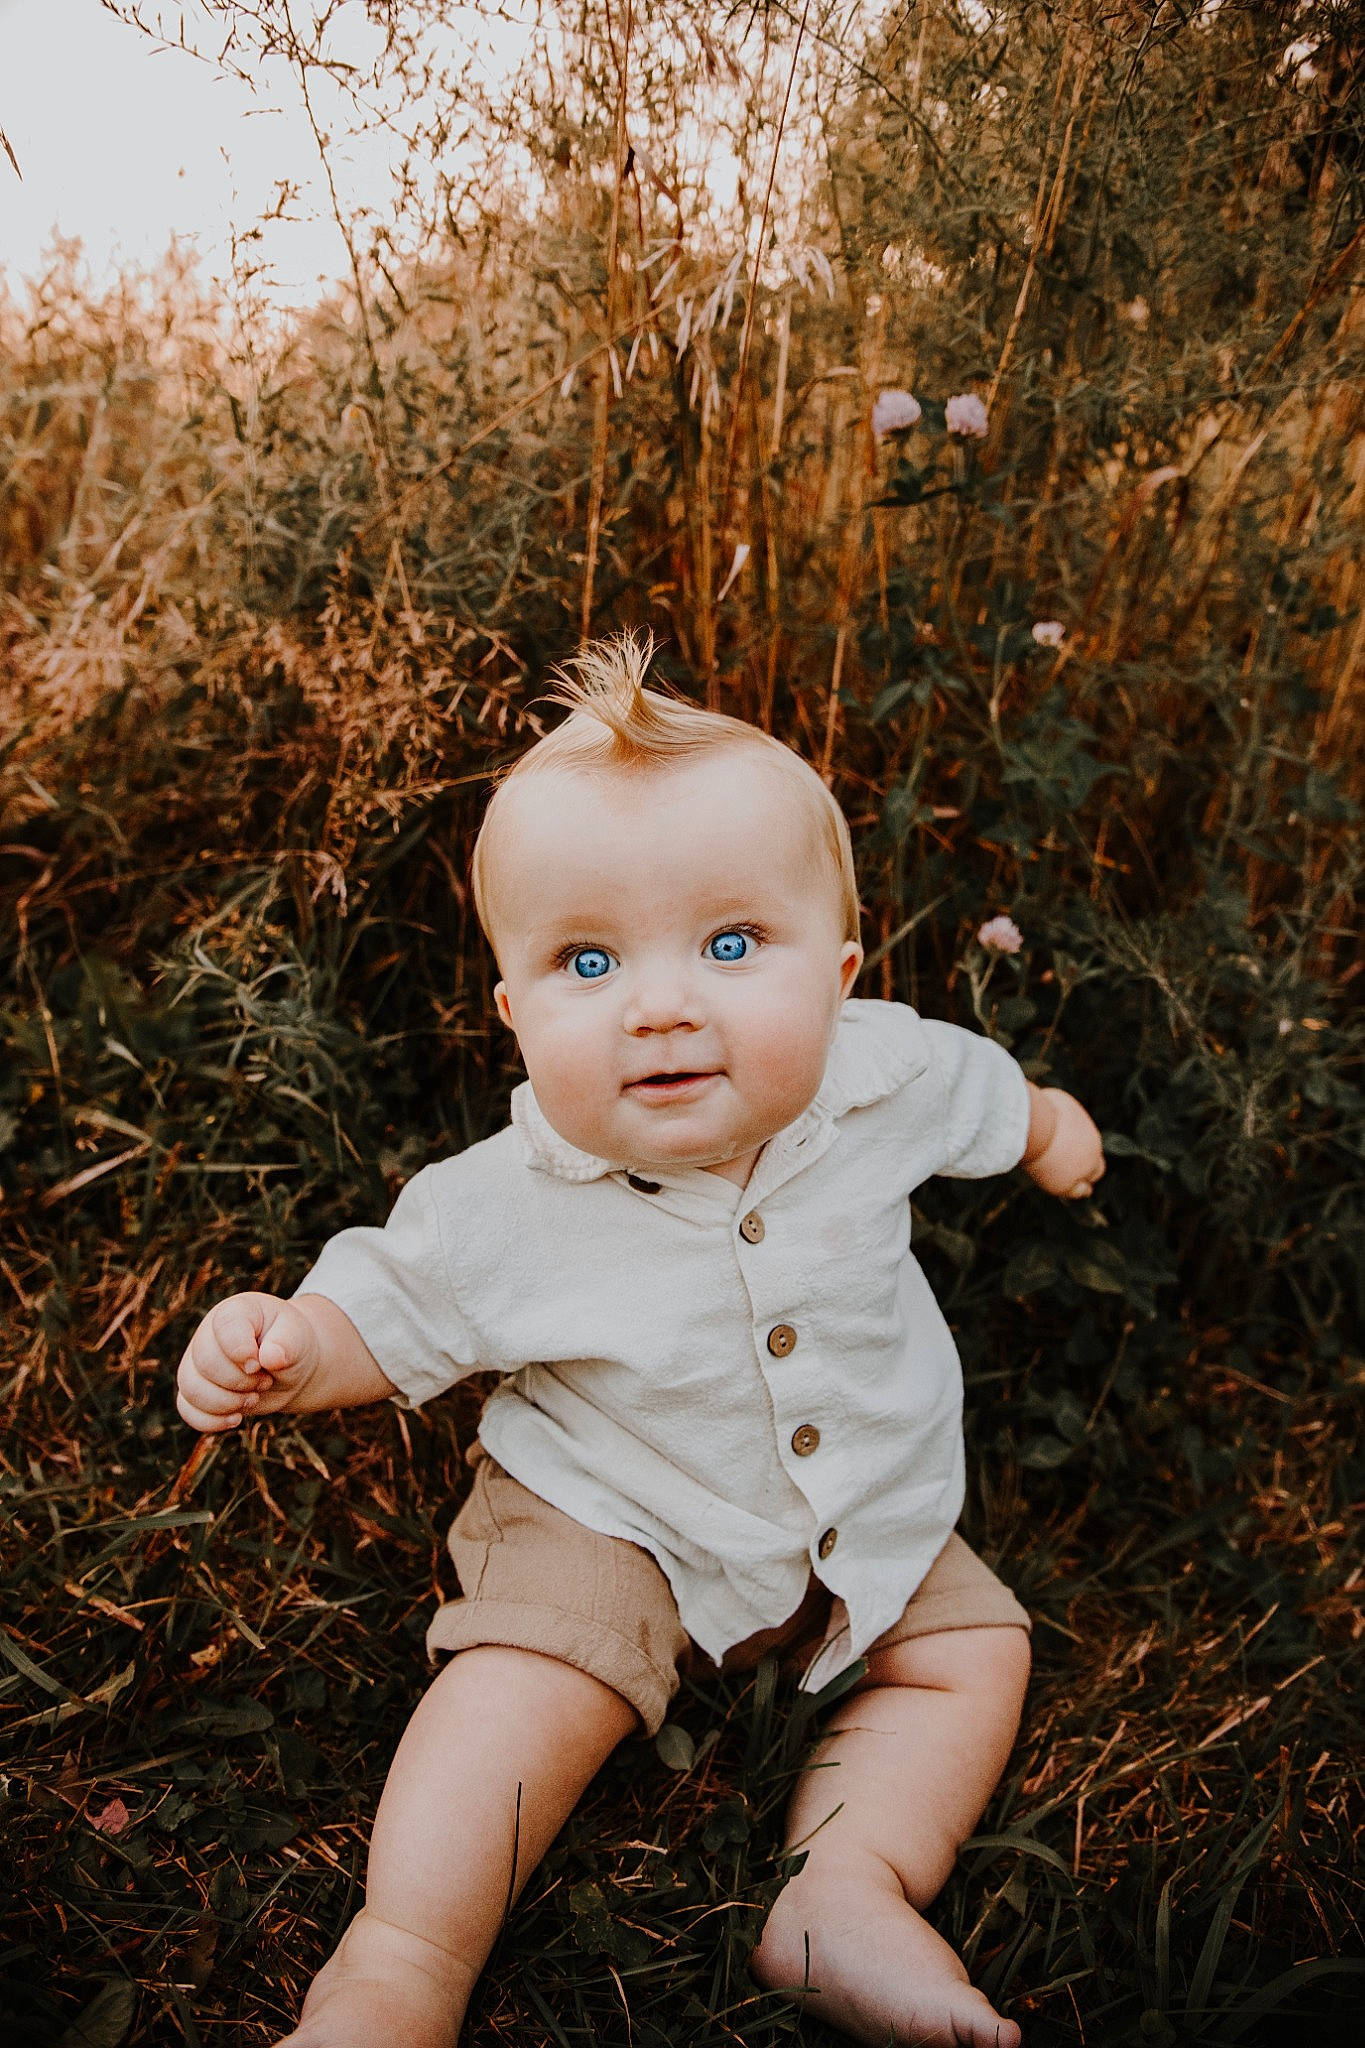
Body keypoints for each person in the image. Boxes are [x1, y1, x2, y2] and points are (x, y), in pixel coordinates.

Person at [175, 632, 1105, 2048]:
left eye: (730, 946)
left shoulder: (884, 1074)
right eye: (587, 961)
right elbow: (394, 1301)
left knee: (971, 1654)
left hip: (865, 1500)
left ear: (840, 973)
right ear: (512, 1012)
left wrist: (1045, 1129)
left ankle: (844, 1891)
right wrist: (297, 1345)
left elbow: (980, 1090)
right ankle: (401, 1962)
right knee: (524, 1688)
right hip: (610, 1511)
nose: (660, 1006)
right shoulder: (513, 1197)